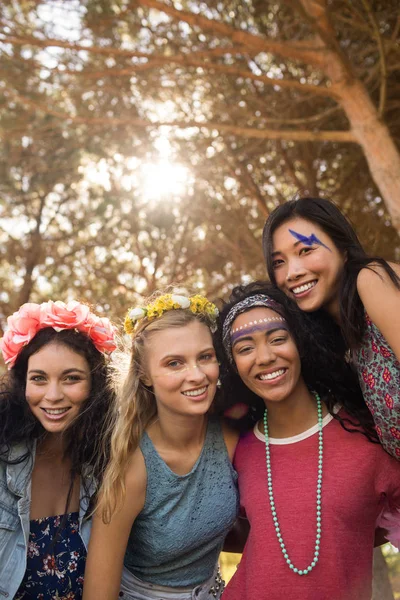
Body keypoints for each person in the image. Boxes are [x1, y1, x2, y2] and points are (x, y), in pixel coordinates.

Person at [215, 282, 400, 600]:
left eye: (277, 339)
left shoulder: (368, 435)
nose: (265, 357)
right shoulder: (237, 447)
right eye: (245, 348)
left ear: (299, 342)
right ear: (232, 363)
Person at [83, 292, 239, 600]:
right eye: (174, 363)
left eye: (205, 357)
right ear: (145, 375)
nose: (196, 375)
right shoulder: (133, 466)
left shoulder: (231, 438)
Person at [262, 196, 400, 458]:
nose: (292, 273)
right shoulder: (333, 340)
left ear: (343, 249)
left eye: (305, 250)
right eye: (279, 262)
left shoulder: (372, 279)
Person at [0, 300, 116, 600]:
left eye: (71, 378)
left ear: (95, 384)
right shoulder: (3, 458)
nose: (53, 396)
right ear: (21, 383)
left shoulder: (108, 460)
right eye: (38, 379)